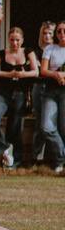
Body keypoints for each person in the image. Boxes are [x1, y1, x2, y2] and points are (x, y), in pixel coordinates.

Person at [0, 27, 37, 170]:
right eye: (12, 40)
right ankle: (5, 148)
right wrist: (9, 74)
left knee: (14, 127)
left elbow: (35, 71)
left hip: (20, 93)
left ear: (22, 40)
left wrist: (22, 75)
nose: (14, 43)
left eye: (17, 40)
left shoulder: (28, 52)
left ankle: (15, 161)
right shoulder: (2, 54)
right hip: (3, 92)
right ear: (8, 40)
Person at [38, 22, 65, 174]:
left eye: (64, 30)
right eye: (59, 31)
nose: (61, 33)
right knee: (46, 127)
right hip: (50, 91)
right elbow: (43, 70)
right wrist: (56, 74)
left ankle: (59, 163)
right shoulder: (50, 48)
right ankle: (61, 158)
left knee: (64, 127)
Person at [32, 21, 57, 164]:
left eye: (50, 33)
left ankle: (54, 156)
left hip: (55, 89)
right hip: (39, 87)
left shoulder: (58, 50)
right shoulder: (36, 52)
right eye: (44, 33)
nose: (47, 36)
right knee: (39, 122)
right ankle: (37, 157)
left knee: (53, 122)